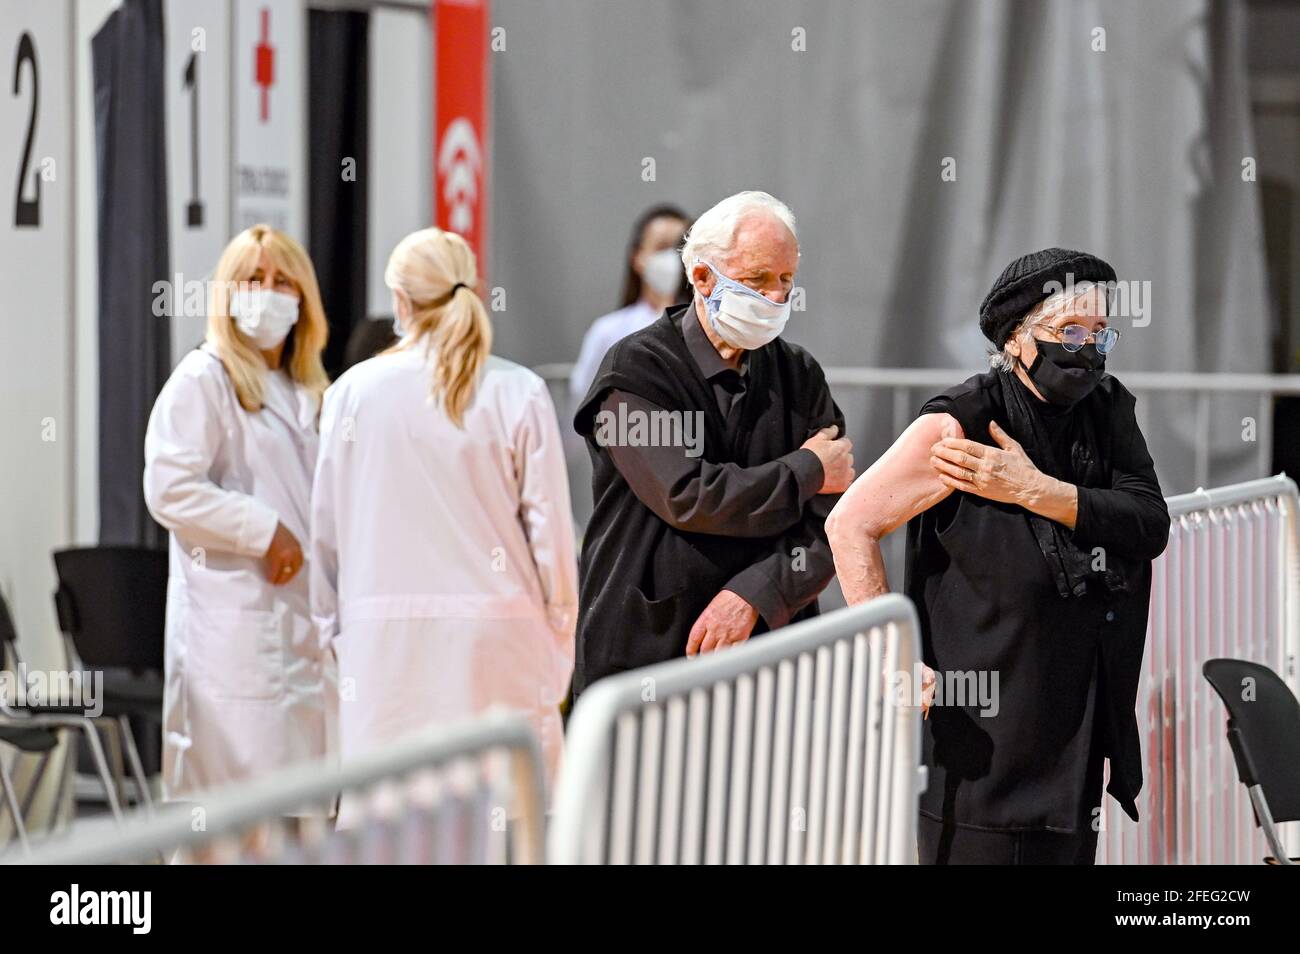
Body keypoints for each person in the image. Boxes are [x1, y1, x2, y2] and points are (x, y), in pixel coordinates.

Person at [826, 247, 1170, 865]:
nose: (1088, 348)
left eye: (1100, 332)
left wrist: (1036, 491)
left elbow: (1148, 524)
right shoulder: (962, 421)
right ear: (1016, 338)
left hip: (1075, 716)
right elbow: (850, 522)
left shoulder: (1108, 407)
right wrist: (892, 652)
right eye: (1069, 330)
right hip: (983, 722)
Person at [311, 228, 577, 817]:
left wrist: (338, 636)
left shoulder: (350, 393)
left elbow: (325, 536)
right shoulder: (518, 390)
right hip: (499, 642)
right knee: (504, 830)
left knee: (389, 831)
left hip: (384, 651)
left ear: (399, 302)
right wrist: (556, 647)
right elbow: (552, 541)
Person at [571, 191, 854, 698]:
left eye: (786, 280)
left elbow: (831, 520)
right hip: (647, 652)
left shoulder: (799, 373)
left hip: (770, 653)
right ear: (702, 278)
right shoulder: (635, 370)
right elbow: (689, 494)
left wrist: (754, 593)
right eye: (756, 280)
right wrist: (808, 468)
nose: (775, 297)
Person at [143, 224, 335, 803]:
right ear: (227, 291)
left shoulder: (308, 389)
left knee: (297, 820)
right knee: (223, 822)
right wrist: (264, 530)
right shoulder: (204, 379)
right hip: (234, 637)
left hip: (303, 632)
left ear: (304, 298)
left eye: (283, 280)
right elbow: (169, 487)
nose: (268, 291)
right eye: (253, 278)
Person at [569, 204, 692, 405]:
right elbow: (582, 400)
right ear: (637, 258)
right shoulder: (607, 331)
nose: (672, 258)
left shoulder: (702, 329)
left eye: (680, 249)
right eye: (661, 247)